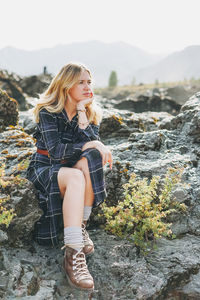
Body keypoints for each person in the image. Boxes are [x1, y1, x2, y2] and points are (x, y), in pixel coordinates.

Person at [26, 62, 113, 291]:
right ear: (66, 85)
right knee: (76, 174)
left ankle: (80, 226)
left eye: (89, 83)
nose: (87, 87)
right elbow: (55, 152)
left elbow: (90, 149)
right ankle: (73, 255)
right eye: (80, 82)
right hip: (45, 167)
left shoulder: (90, 112)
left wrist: (83, 111)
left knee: (91, 157)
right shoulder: (49, 111)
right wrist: (90, 143)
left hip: (71, 169)